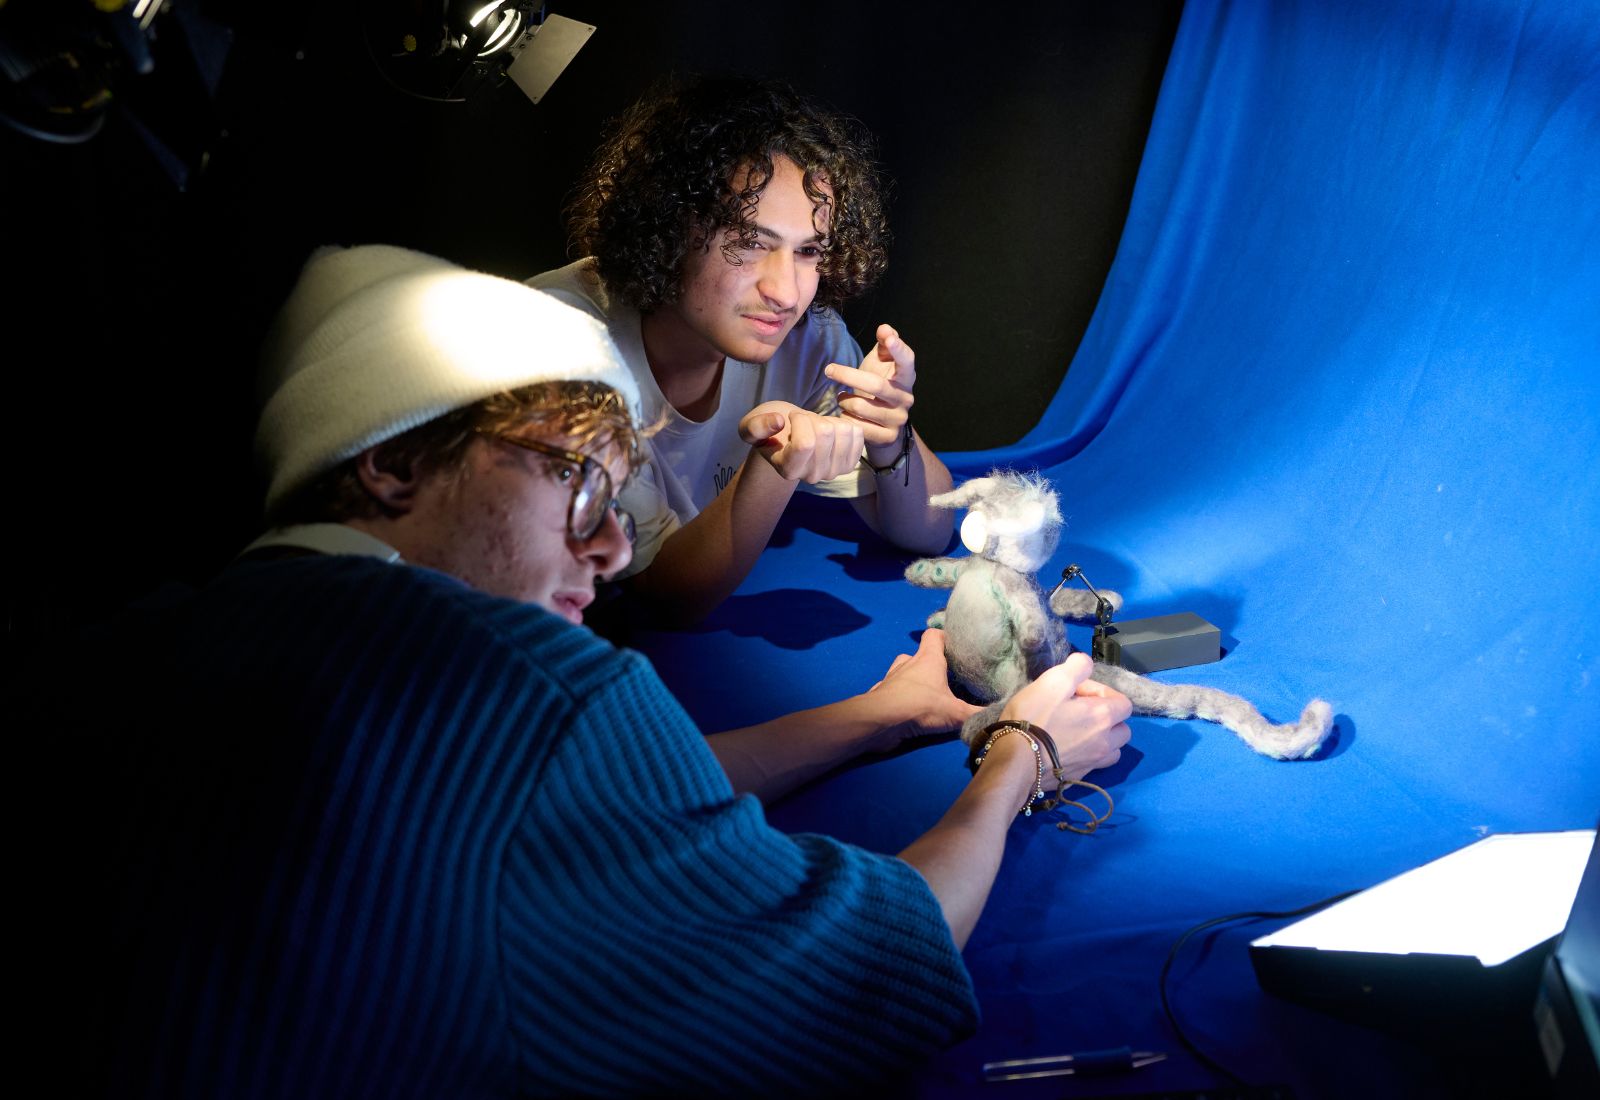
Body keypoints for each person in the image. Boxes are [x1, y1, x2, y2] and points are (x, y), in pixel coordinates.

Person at [73, 245, 1131, 1098]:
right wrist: (1022, 756)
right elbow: (873, 961)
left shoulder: (137, 649)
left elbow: (555, 814)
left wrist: (873, 712)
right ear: (389, 463)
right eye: (577, 482)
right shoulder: (542, 688)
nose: (612, 548)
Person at [530, 75, 956, 623]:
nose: (785, 291)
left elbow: (929, 529)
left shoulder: (807, 338)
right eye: (751, 243)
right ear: (666, 228)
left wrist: (889, 435)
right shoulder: (559, 340)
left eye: (808, 252)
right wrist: (778, 465)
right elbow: (665, 597)